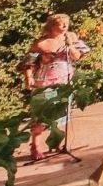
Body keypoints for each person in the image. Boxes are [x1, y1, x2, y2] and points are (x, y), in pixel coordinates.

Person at [24, 13, 88, 163]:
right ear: (52, 26)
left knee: (61, 115)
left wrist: (70, 45)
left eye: (67, 23)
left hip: (64, 82)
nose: (65, 26)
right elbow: (28, 62)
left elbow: (77, 56)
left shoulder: (71, 37)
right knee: (42, 116)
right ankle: (36, 146)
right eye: (61, 24)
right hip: (45, 83)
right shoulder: (41, 43)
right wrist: (28, 78)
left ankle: (56, 143)